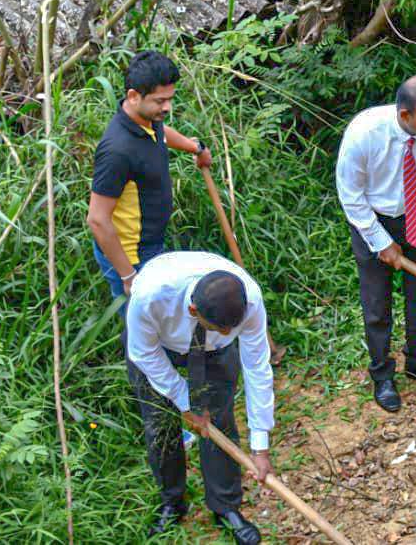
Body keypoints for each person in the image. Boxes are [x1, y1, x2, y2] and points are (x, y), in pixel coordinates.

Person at [126, 251, 274, 543]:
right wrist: (185, 403)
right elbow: (143, 352)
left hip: (214, 355)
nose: (229, 333)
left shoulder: (250, 299)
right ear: (193, 310)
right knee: (160, 426)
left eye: (233, 328)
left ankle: (226, 507)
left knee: (219, 421)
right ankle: (172, 502)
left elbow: (257, 367)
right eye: (221, 328)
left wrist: (260, 446)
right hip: (156, 351)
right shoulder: (150, 296)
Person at [336, 75, 416, 413]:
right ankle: (382, 375)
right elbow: (350, 195)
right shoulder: (364, 133)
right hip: (370, 217)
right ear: (405, 115)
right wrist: (380, 240)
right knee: (376, 302)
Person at [87, 50, 212, 303]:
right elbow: (97, 220)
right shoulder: (117, 151)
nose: (167, 107)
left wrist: (195, 148)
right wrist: (128, 276)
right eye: (160, 101)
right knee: (140, 319)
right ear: (133, 96)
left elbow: (162, 131)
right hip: (131, 256)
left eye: (170, 99)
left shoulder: (146, 118)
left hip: (151, 243)